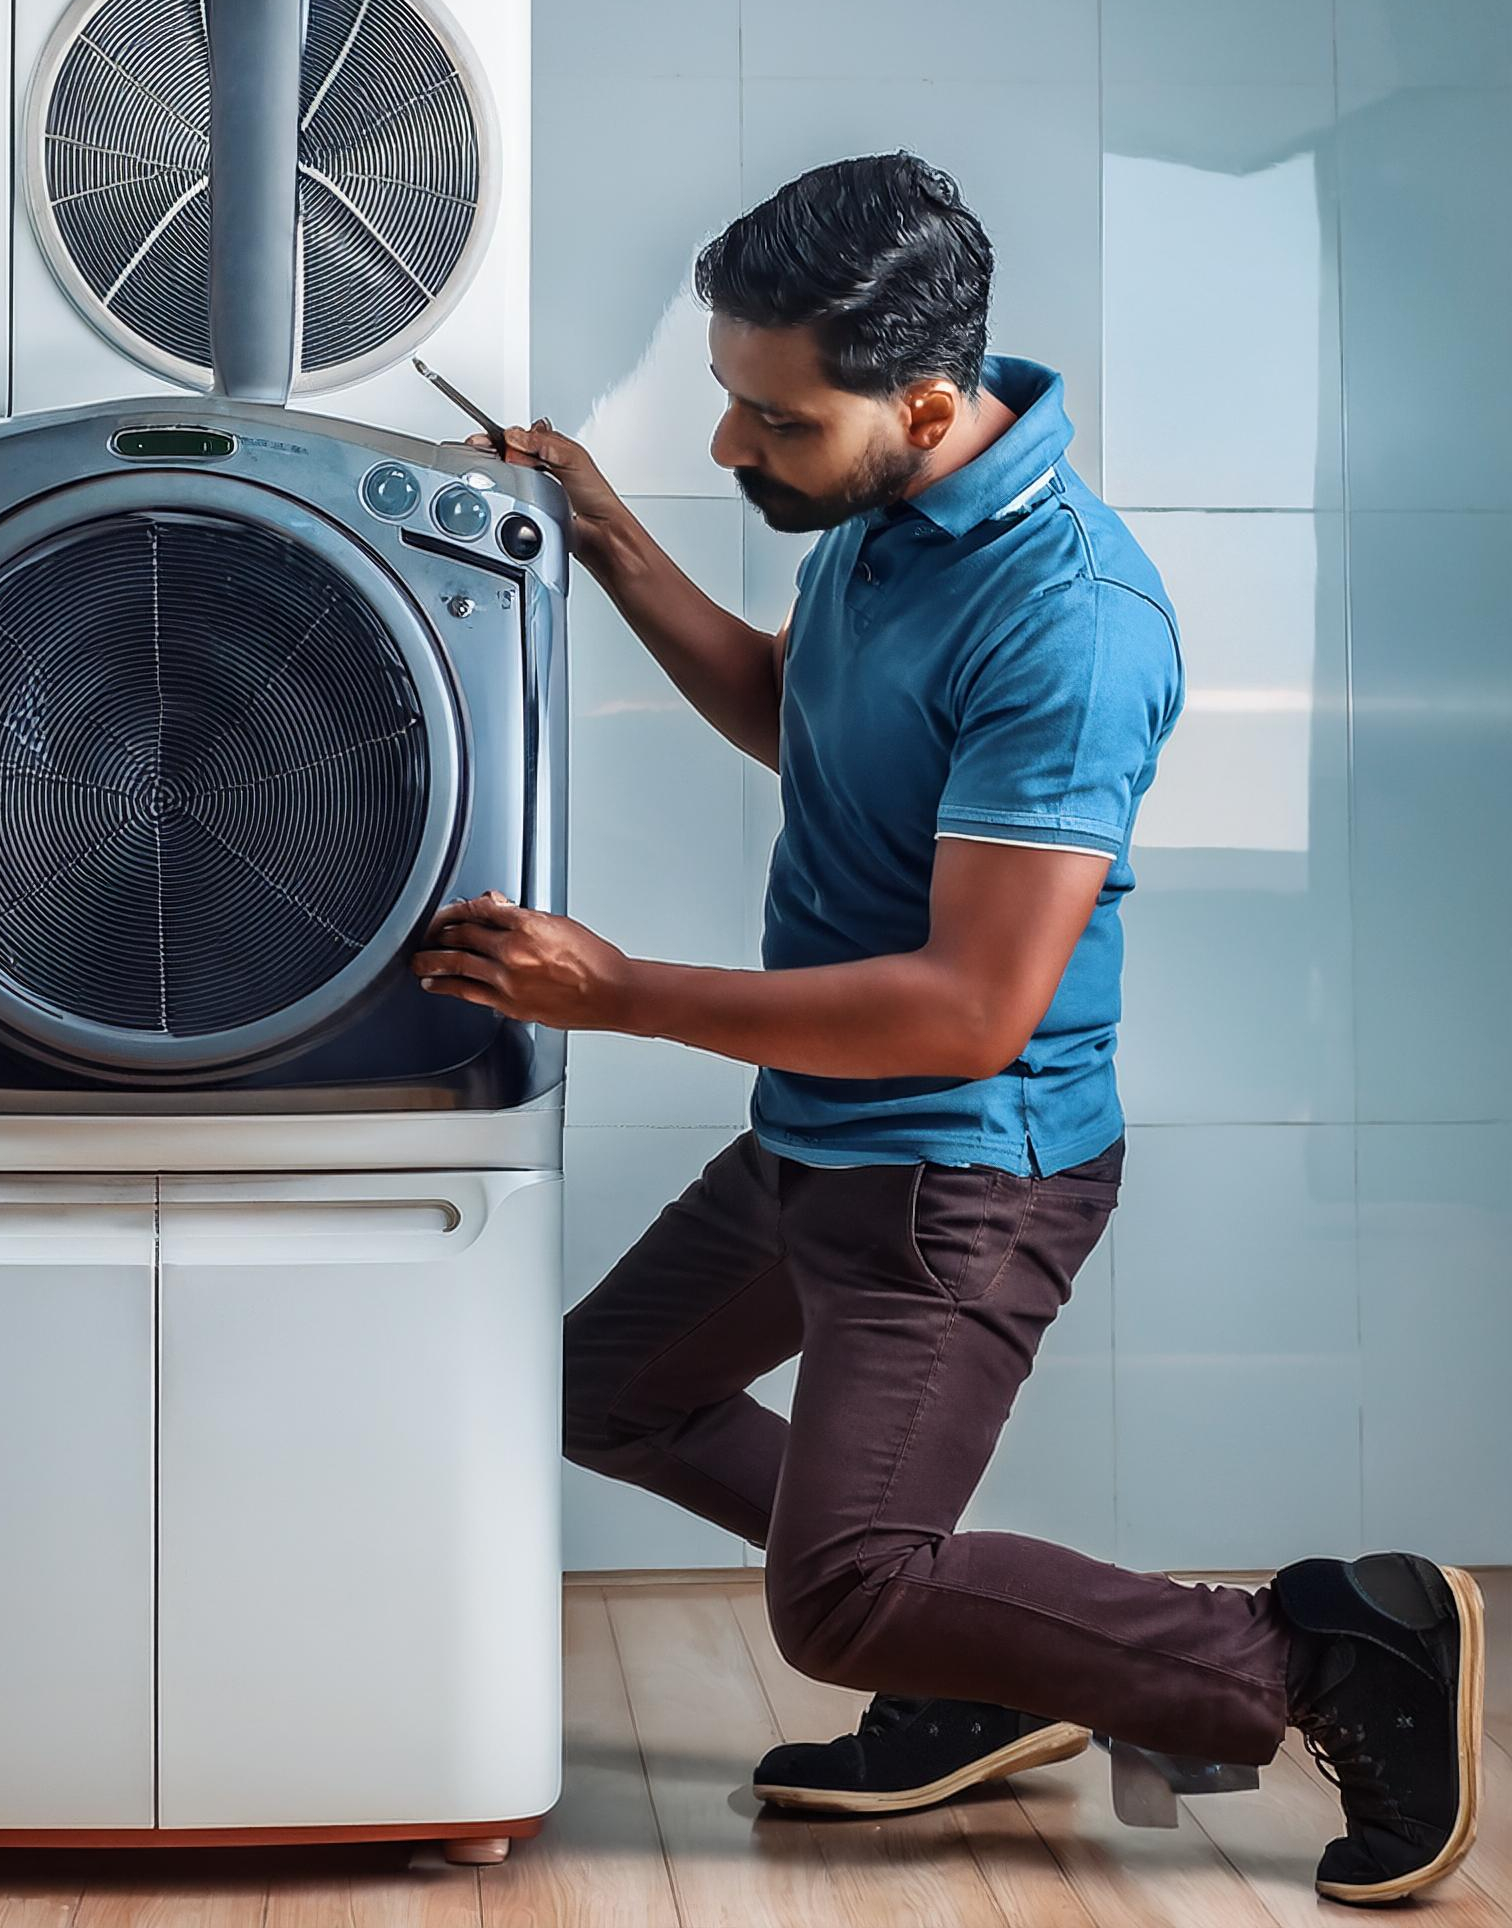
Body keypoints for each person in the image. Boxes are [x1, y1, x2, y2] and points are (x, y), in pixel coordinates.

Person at [410, 151, 1482, 1908]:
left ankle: (1319, 1651)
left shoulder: (1067, 619)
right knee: (612, 1390)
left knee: (840, 1595)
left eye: (773, 422)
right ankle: (989, 1672)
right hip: (825, 1129)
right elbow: (801, 720)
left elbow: (973, 1010)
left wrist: (617, 996)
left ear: (922, 401)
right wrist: (605, 534)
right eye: (727, 405)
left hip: (960, 1171)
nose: (735, 450)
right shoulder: (881, 519)